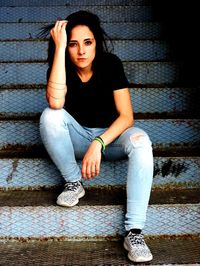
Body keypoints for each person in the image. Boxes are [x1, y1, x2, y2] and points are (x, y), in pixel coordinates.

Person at [39, 10, 154, 263]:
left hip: (110, 140)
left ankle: (134, 232)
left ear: (96, 44)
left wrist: (99, 142)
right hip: (77, 140)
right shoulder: (62, 66)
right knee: (50, 115)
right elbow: (56, 103)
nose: (81, 51)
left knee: (141, 142)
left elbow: (126, 117)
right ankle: (73, 182)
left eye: (87, 43)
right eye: (73, 44)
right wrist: (59, 50)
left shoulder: (110, 63)